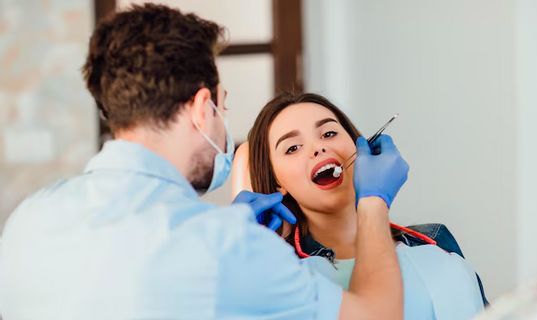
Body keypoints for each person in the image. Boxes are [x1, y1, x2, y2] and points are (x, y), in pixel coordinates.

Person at [0, 4, 409, 319]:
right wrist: (372, 201)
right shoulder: (224, 245)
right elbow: (378, 314)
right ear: (201, 108)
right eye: (221, 107)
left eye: (327, 133)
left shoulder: (29, 218)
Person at [244, 92, 486, 320]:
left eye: (328, 134)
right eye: (293, 148)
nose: (318, 148)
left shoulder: (434, 239)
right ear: (277, 182)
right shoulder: (280, 276)